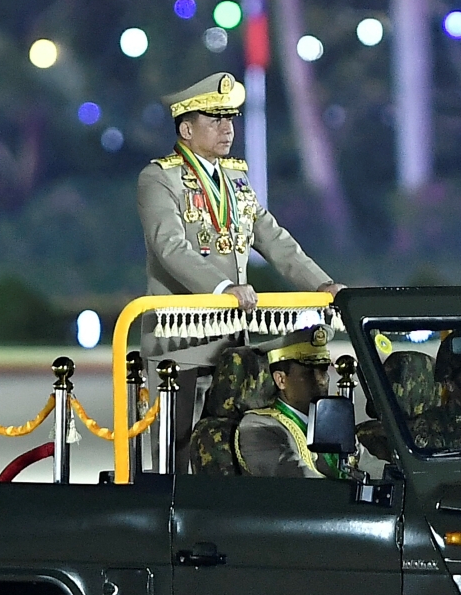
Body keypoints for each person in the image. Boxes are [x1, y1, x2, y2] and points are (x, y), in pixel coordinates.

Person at [135, 72, 343, 455]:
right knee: (176, 451)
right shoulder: (159, 178)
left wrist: (322, 284)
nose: (227, 129)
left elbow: (274, 239)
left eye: (230, 119)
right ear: (186, 129)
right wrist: (222, 289)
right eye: (215, 120)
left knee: (230, 445)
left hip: (232, 339)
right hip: (180, 338)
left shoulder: (236, 180)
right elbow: (169, 246)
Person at [236, 327, 349, 478]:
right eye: (308, 373)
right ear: (281, 380)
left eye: (323, 369)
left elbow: (369, 464)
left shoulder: (333, 423)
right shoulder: (258, 426)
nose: (321, 380)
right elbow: (297, 479)